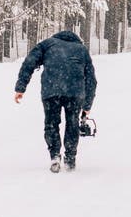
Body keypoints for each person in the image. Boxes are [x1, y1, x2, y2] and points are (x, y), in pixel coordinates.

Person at [14, 30, 97, 173]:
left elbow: (29, 62)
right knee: (72, 124)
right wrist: (87, 106)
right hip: (75, 93)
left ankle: (55, 156)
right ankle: (70, 158)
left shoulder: (47, 45)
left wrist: (21, 87)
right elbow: (91, 80)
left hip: (51, 91)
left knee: (51, 123)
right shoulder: (81, 49)